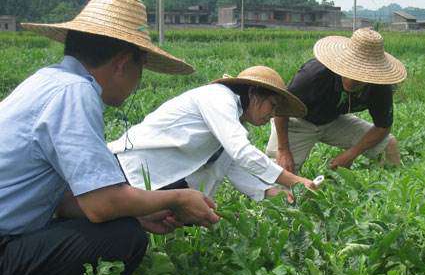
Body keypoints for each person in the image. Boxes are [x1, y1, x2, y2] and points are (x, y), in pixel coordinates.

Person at [0, 0, 219, 275]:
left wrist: (135, 209)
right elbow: (102, 205)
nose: (138, 82)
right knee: (122, 237)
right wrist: (176, 198)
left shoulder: (48, 81)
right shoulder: (75, 92)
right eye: (140, 69)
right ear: (121, 63)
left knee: (124, 224)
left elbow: (71, 201)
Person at [108, 65, 317, 201]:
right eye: (272, 105)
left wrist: (276, 193)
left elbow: (237, 169)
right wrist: (295, 181)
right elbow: (242, 153)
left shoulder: (231, 124)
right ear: (254, 94)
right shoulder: (218, 98)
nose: (272, 115)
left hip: (154, 181)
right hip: (127, 169)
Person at [266, 28, 407, 173]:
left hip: (333, 120)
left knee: (388, 145)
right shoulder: (313, 75)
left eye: (362, 75)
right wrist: (283, 149)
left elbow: (383, 126)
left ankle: (385, 190)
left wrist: (351, 154)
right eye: (350, 71)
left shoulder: (380, 86)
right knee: (278, 173)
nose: (353, 80)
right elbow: (281, 107)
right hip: (299, 119)